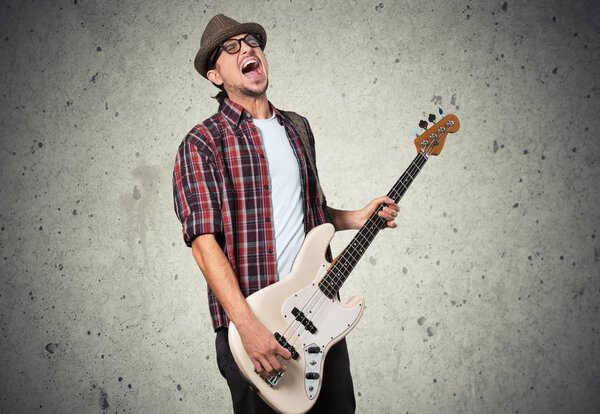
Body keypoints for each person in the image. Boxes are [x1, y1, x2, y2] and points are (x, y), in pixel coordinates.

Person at [172, 14, 399, 414]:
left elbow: (308, 211)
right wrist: (247, 327)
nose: (247, 49)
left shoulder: (297, 128)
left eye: (251, 42)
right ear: (215, 75)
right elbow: (204, 244)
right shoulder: (203, 142)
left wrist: (355, 219)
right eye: (231, 47)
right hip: (255, 327)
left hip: (318, 315)